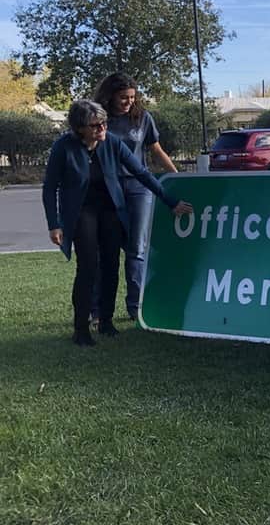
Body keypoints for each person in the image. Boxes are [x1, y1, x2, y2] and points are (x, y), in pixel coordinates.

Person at [43, 100, 193, 346]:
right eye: (95, 125)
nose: (102, 128)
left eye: (103, 123)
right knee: (88, 267)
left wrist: (170, 201)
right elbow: (50, 187)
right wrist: (54, 223)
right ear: (79, 128)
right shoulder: (63, 147)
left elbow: (141, 172)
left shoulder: (111, 142)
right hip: (81, 212)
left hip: (111, 209)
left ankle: (106, 321)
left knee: (111, 266)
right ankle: (81, 329)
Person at [92, 72, 179, 322]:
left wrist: (177, 177)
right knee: (104, 249)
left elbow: (156, 150)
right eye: (123, 97)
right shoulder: (99, 119)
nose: (128, 102)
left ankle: (136, 306)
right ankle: (97, 310)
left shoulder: (142, 118)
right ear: (110, 96)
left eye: (132, 97)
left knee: (137, 248)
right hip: (108, 188)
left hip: (139, 188)